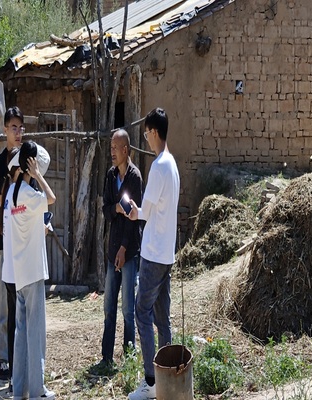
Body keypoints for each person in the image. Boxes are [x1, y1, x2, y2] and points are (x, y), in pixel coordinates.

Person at [126, 108, 180, 400]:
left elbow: (143, 211)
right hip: (166, 252)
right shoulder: (173, 165)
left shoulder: (158, 166)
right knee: (162, 319)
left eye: (146, 133)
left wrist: (132, 212)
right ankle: (169, 380)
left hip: (153, 253)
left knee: (142, 314)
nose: (146, 138)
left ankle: (151, 381)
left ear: (154, 132)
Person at [5, 140, 56, 400]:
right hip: (34, 271)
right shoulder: (30, 194)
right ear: (31, 164)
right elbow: (52, 198)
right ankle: (37, 390)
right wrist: (38, 175)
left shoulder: (12, 194)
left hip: (19, 272)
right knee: (35, 333)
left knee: (21, 333)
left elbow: (24, 222)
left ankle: (20, 390)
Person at [94, 129, 143, 373]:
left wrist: (123, 250)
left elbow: (134, 220)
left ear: (126, 150)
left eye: (116, 148)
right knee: (109, 307)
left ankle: (129, 357)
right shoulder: (111, 175)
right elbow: (105, 209)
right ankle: (106, 357)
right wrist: (116, 208)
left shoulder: (135, 177)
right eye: (111, 148)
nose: (112, 152)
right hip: (112, 248)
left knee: (127, 308)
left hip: (129, 250)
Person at [0, 106, 24, 381]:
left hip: (24, 242)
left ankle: (18, 357)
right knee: (3, 303)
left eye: (21, 127)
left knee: (20, 303)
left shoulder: (27, 160)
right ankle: (2, 358)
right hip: (6, 241)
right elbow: (3, 202)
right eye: (13, 127)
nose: (18, 132)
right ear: (5, 130)